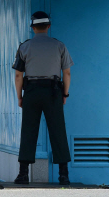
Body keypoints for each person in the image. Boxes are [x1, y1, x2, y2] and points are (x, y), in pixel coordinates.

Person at [12, 11, 73, 185]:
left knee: (29, 130)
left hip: (31, 91)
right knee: (58, 130)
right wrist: (65, 94)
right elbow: (67, 72)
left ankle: (23, 174)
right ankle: (63, 175)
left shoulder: (24, 47)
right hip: (53, 91)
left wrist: (20, 97)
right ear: (48, 26)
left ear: (32, 27)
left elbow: (18, 75)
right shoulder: (59, 46)